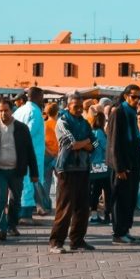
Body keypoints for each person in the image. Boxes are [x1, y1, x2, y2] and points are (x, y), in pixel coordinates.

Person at [0, 98, 39, 242]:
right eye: (0, 111)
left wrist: (34, 173)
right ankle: (0, 229)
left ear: (12, 111)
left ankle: (12, 225)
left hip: (17, 170)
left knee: (15, 200)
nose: (3, 114)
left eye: (6, 110)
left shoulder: (22, 129)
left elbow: (30, 151)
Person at [49, 93, 96, 254]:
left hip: (83, 169)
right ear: (68, 106)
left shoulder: (84, 123)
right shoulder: (62, 122)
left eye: (80, 107)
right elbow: (71, 144)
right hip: (66, 170)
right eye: (75, 106)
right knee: (65, 208)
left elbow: (94, 143)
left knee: (83, 208)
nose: (78, 109)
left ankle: (77, 240)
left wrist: (85, 143)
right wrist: (85, 143)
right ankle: (56, 242)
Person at [106, 84, 140, 244]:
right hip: (122, 166)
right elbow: (114, 142)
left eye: (139, 97)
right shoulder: (119, 113)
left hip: (133, 164)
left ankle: (125, 230)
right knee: (121, 200)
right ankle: (118, 233)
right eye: (134, 97)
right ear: (126, 96)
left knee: (130, 200)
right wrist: (119, 167)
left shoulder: (131, 113)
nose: (136, 100)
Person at [13, 87, 46, 221]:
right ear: (38, 97)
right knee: (28, 182)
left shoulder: (19, 110)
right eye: (42, 97)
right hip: (31, 153)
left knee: (23, 182)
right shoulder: (35, 112)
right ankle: (25, 214)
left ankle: (20, 212)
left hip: (18, 151)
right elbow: (29, 133)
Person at [87, 108, 111, 225]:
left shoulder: (92, 132)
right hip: (102, 165)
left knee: (94, 191)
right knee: (106, 190)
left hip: (93, 165)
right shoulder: (100, 133)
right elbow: (105, 148)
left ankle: (94, 215)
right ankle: (107, 214)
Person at [41, 101, 60, 215]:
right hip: (58, 155)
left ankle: (46, 205)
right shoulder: (60, 124)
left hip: (47, 155)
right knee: (59, 182)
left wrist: (49, 152)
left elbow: (42, 142)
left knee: (46, 182)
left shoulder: (44, 124)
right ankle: (59, 205)